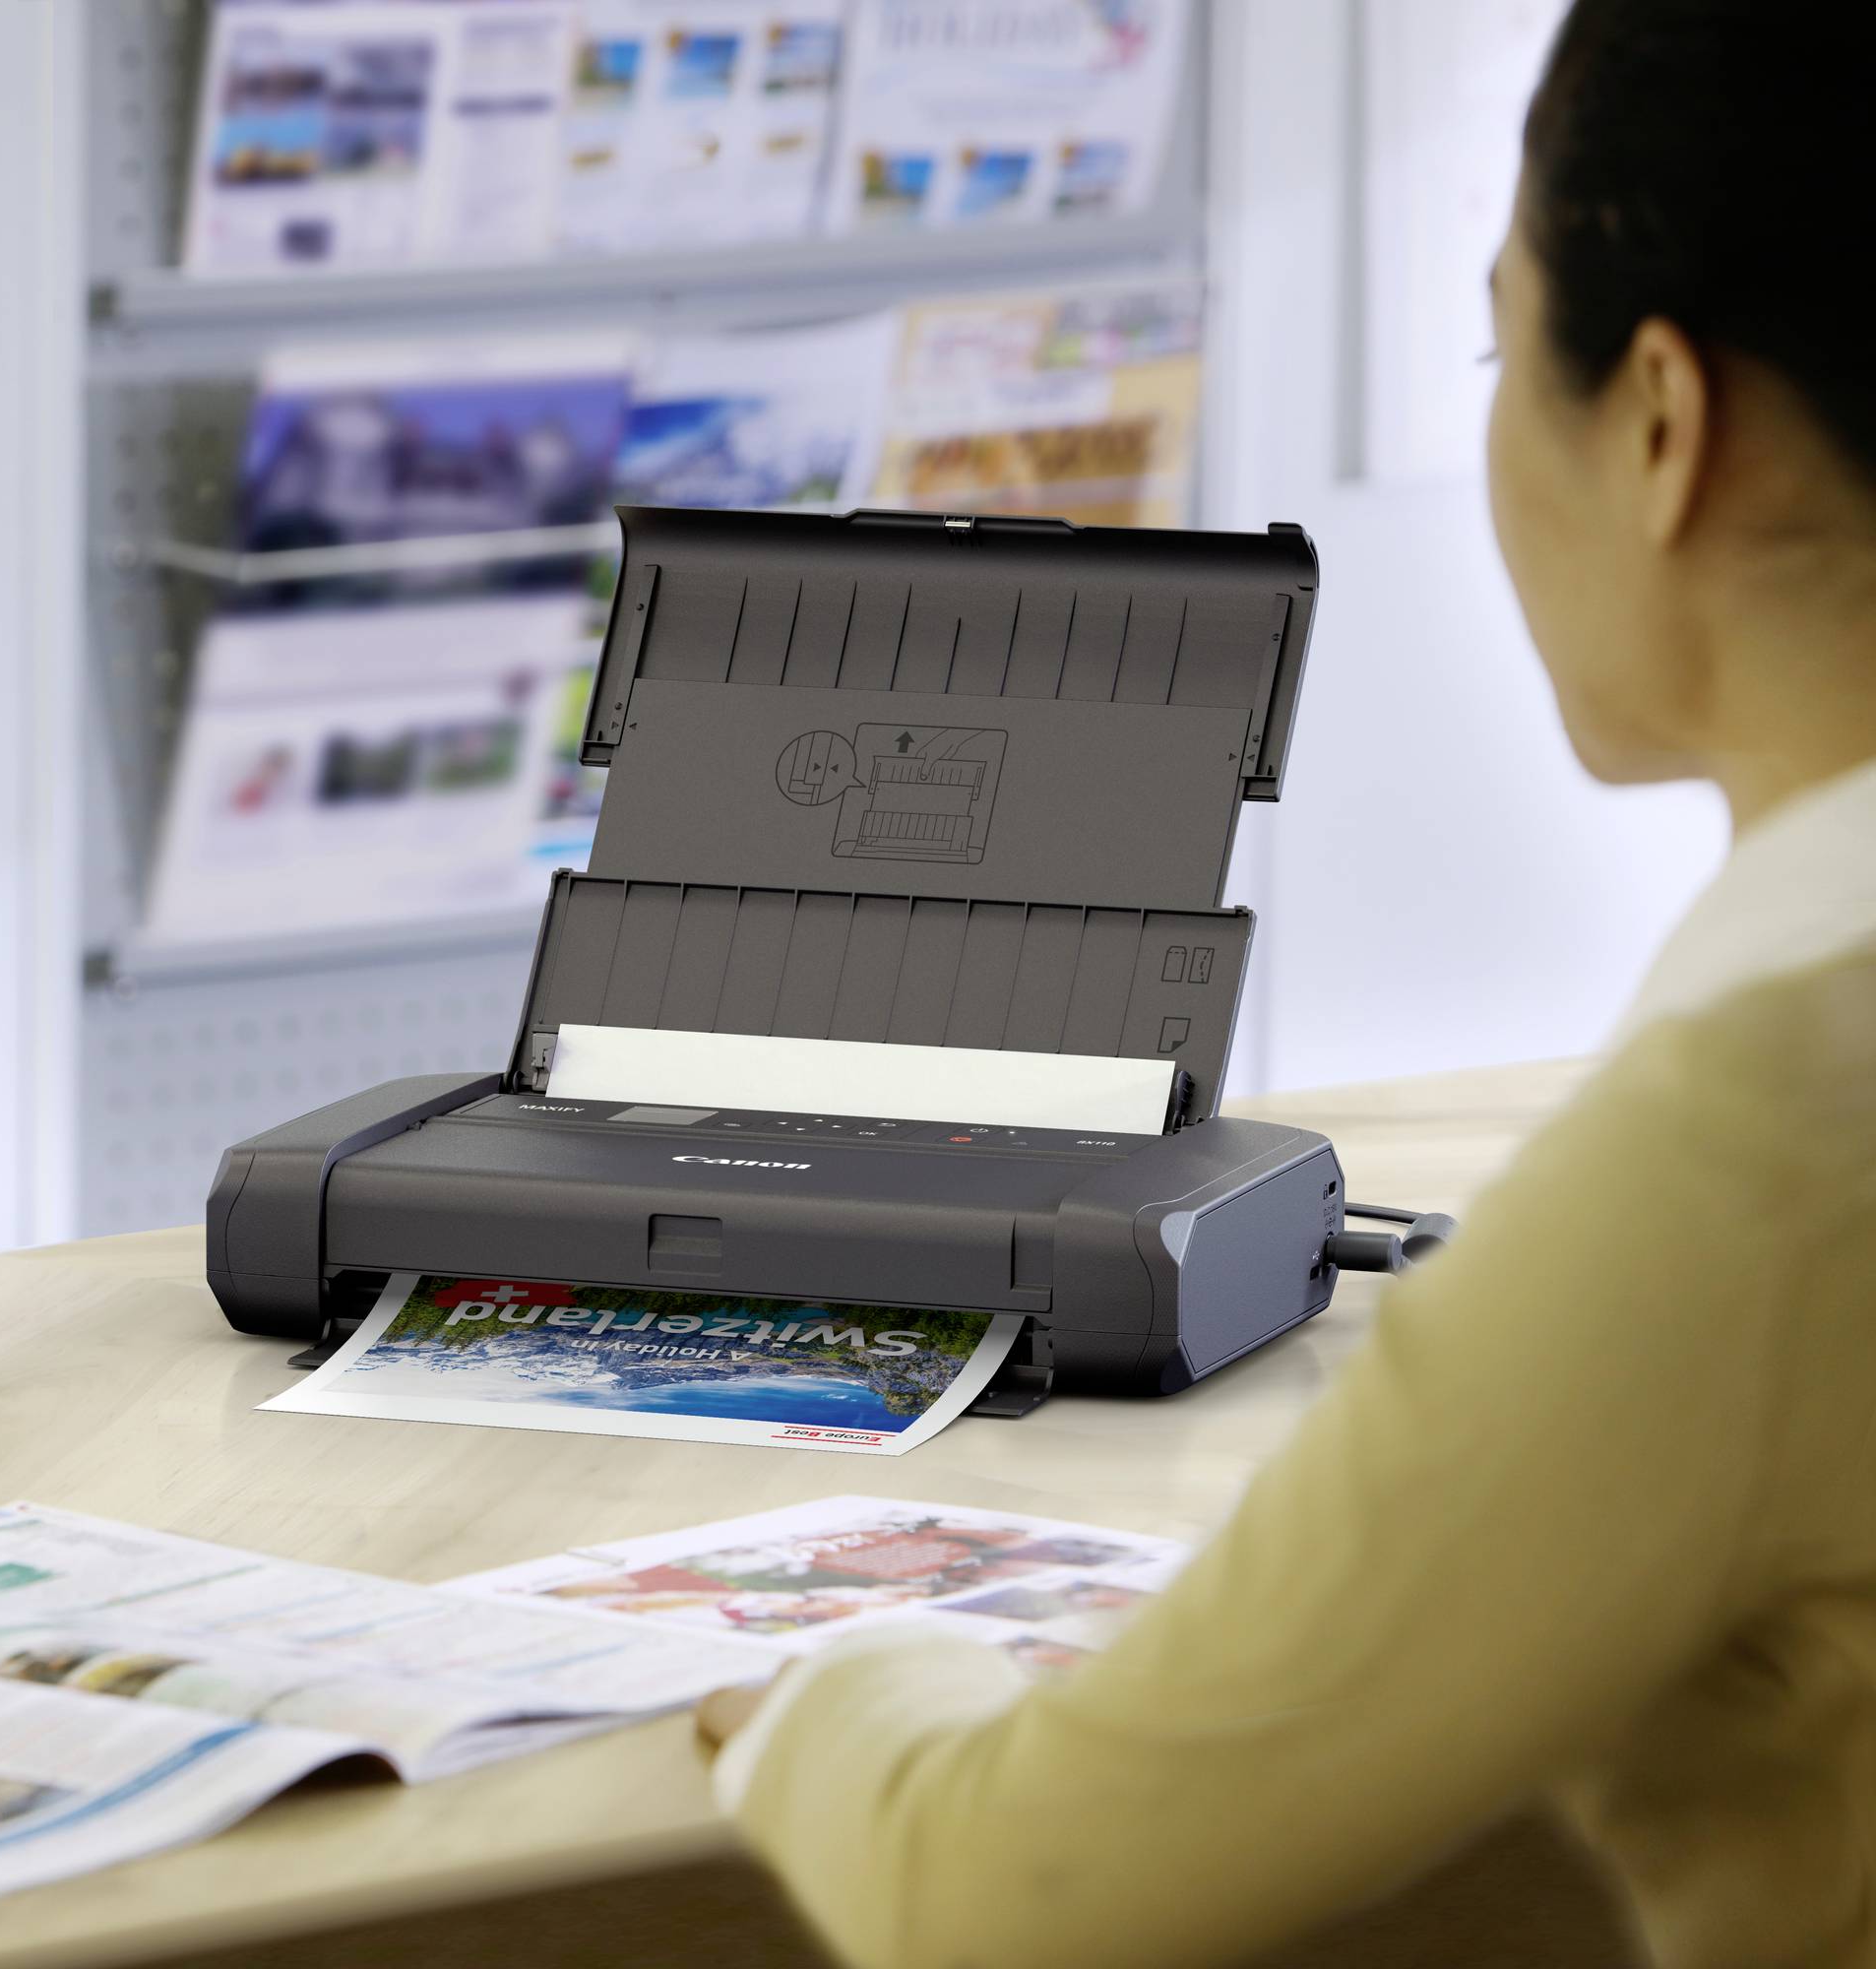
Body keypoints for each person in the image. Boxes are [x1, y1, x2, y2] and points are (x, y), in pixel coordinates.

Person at [697, 2, 1876, 1963]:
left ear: (1662, 424)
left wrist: (837, 1686)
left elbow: (1009, 1890)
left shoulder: (1751, 1163)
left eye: (1500, 353)